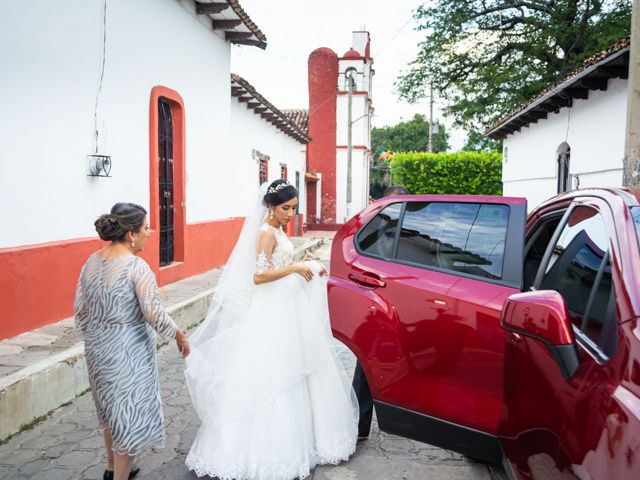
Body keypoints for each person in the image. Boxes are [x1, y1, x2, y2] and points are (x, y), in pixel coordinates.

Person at [185, 179, 358, 480]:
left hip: (287, 305)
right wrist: (293, 269)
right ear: (270, 206)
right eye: (285, 208)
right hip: (269, 309)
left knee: (297, 366)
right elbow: (258, 276)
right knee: (271, 371)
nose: (290, 214)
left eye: (293, 208)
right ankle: (260, 452)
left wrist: (303, 264)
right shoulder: (265, 232)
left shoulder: (278, 230)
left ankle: (303, 439)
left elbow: (281, 262)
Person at [74, 202, 190, 480]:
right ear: (131, 234)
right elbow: (153, 313)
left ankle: (112, 468)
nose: (150, 232)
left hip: (97, 348)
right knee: (126, 413)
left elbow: (80, 310)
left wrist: (96, 336)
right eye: (146, 227)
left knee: (108, 410)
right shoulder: (137, 267)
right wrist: (179, 334)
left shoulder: (91, 261)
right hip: (129, 350)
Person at [354, 184, 410, 440]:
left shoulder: (416, 230)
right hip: (374, 304)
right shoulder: (368, 228)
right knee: (366, 366)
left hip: (410, 305)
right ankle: (359, 426)